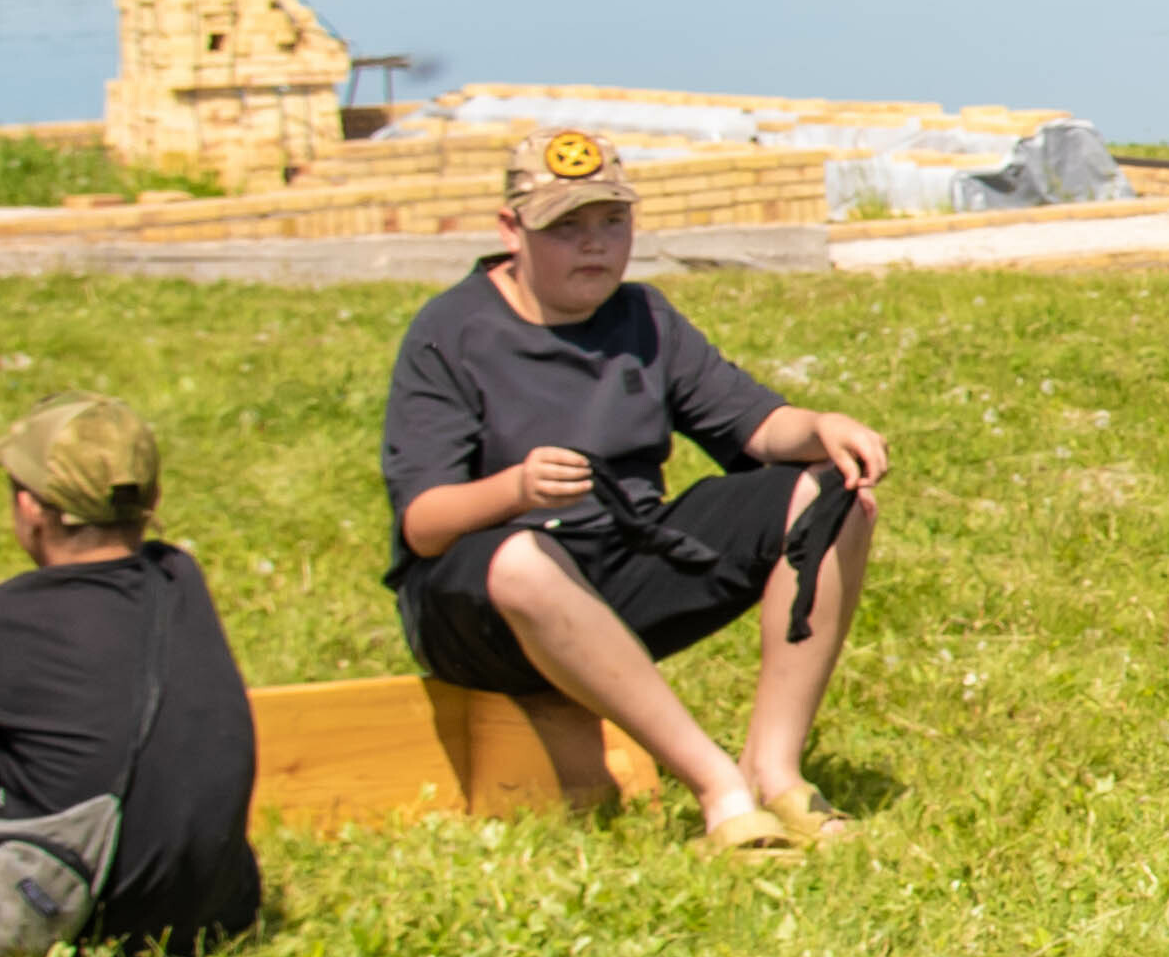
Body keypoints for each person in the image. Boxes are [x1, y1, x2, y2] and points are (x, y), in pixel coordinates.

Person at [380, 127, 891, 856]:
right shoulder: (449, 331)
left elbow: (754, 425)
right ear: (510, 229)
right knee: (521, 558)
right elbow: (425, 525)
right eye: (565, 228)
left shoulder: (645, 318)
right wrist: (515, 490)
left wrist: (822, 426)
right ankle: (719, 788)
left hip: (620, 570)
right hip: (480, 609)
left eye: (611, 222)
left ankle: (775, 771)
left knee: (832, 494)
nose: (594, 245)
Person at [0, 395, 264, 957]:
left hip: (71, 925)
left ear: (29, 508)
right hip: (213, 914)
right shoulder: (179, 579)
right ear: (151, 501)